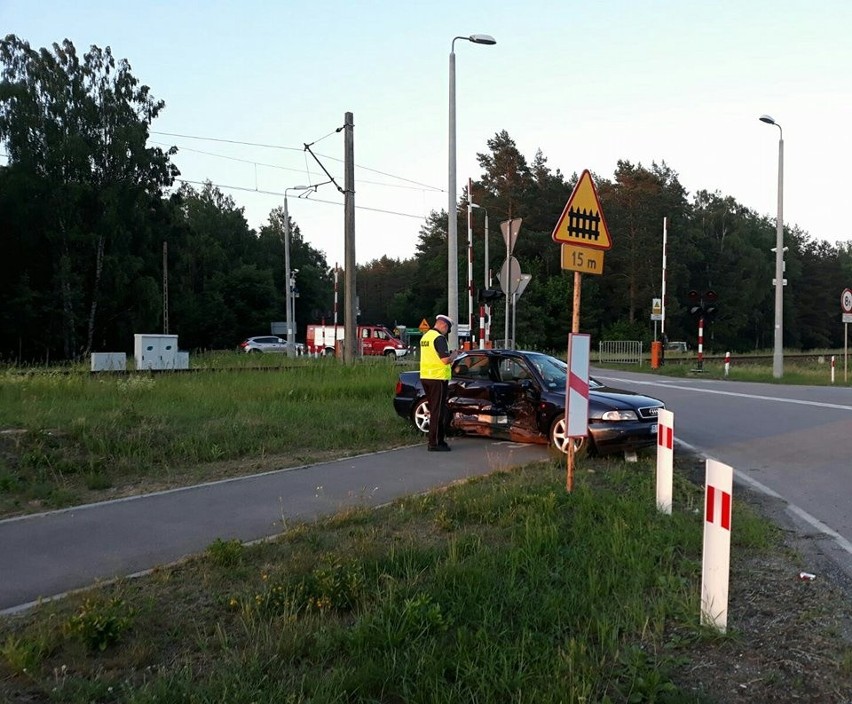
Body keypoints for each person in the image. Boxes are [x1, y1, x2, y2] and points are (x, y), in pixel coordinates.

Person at [419, 314, 459, 451]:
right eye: (447, 329)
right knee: (438, 412)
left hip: (426, 377)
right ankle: (435, 443)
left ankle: (437, 440)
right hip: (437, 378)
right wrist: (454, 355)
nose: (447, 332)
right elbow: (444, 360)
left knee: (434, 409)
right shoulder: (439, 338)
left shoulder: (426, 337)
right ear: (444, 325)